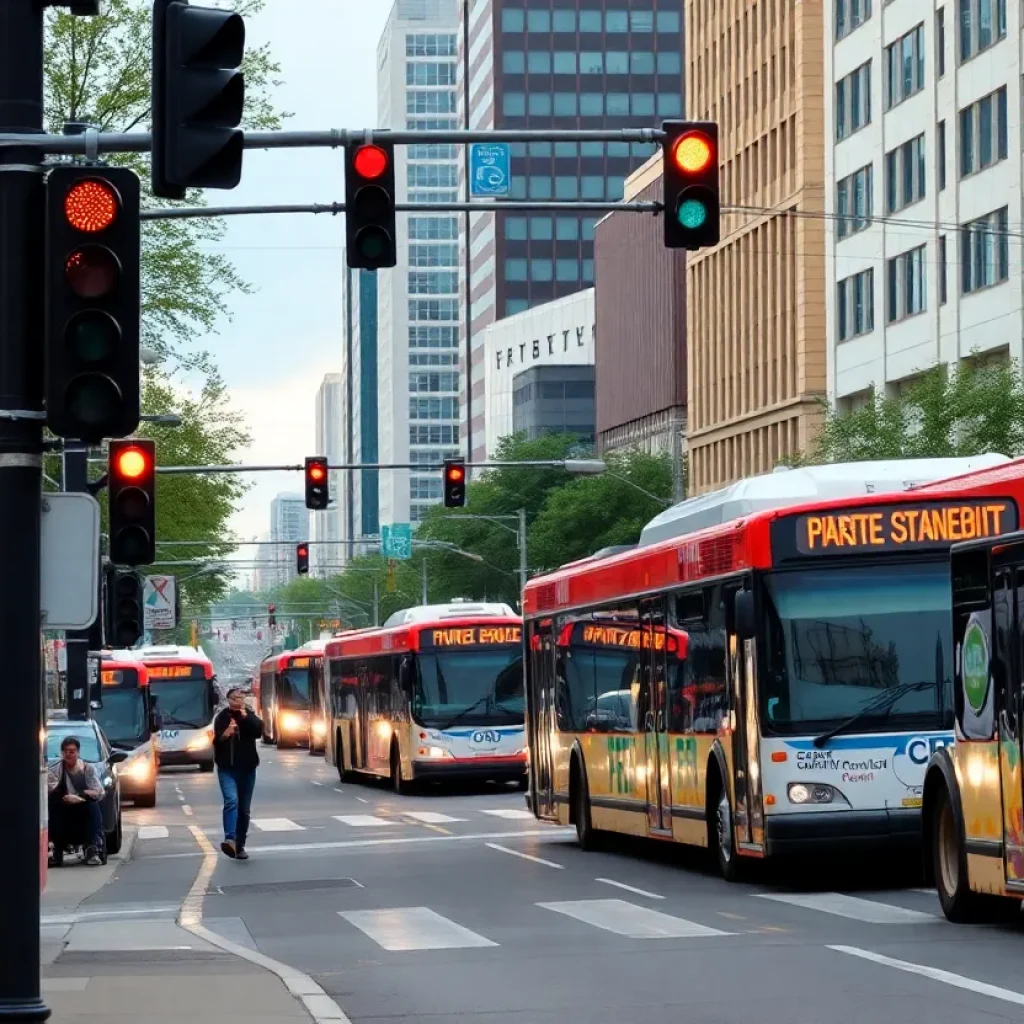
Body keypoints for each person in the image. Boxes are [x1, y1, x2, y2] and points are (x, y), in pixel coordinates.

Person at [213, 687, 263, 860]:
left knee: (244, 810)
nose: (238, 701)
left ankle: (240, 845)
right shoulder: (222, 717)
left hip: (247, 768)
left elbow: (258, 731)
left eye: (241, 698)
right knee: (231, 801)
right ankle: (230, 839)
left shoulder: (249, 715)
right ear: (228, 700)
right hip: (227, 768)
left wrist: (245, 718)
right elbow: (215, 742)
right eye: (234, 698)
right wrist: (225, 734)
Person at [48, 736, 105, 866]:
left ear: (78, 753)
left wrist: (79, 797)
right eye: (66, 751)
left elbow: (98, 791)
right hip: (63, 811)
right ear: (62, 753)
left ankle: (93, 848)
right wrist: (65, 797)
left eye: (72, 751)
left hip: (83, 810)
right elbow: (50, 790)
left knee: (93, 804)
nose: (69, 755)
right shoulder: (55, 770)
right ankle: (55, 849)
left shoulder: (87, 769)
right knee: (52, 802)